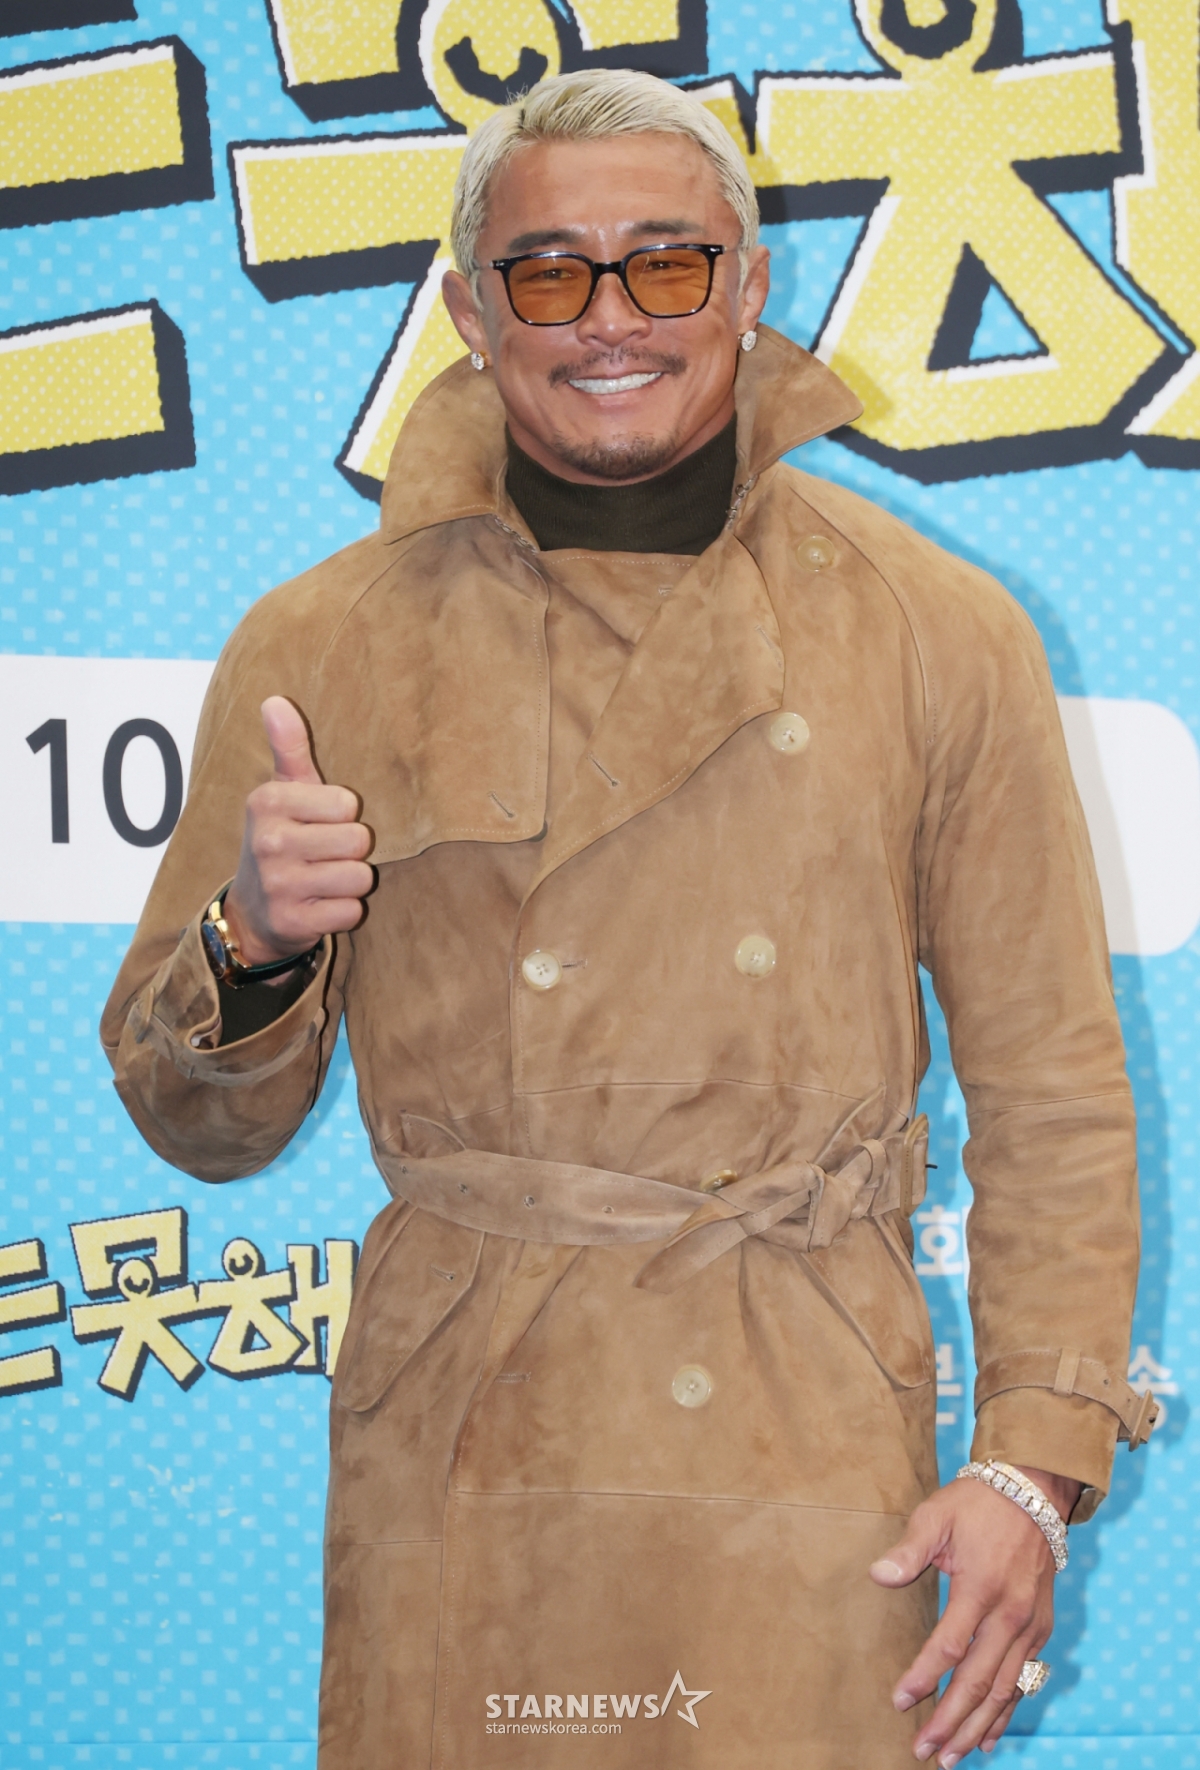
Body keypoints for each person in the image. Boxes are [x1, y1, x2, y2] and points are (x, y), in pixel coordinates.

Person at [102, 64, 1154, 1770]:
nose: (610, 317)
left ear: (748, 283)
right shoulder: (324, 642)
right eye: (549, 274)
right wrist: (255, 947)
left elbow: (1053, 1088)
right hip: (466, 1442)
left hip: (809, 1430)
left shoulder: (935, 628)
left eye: (666, 264)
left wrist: (1032, 1463)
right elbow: (194, 1126)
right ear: (469, 310)